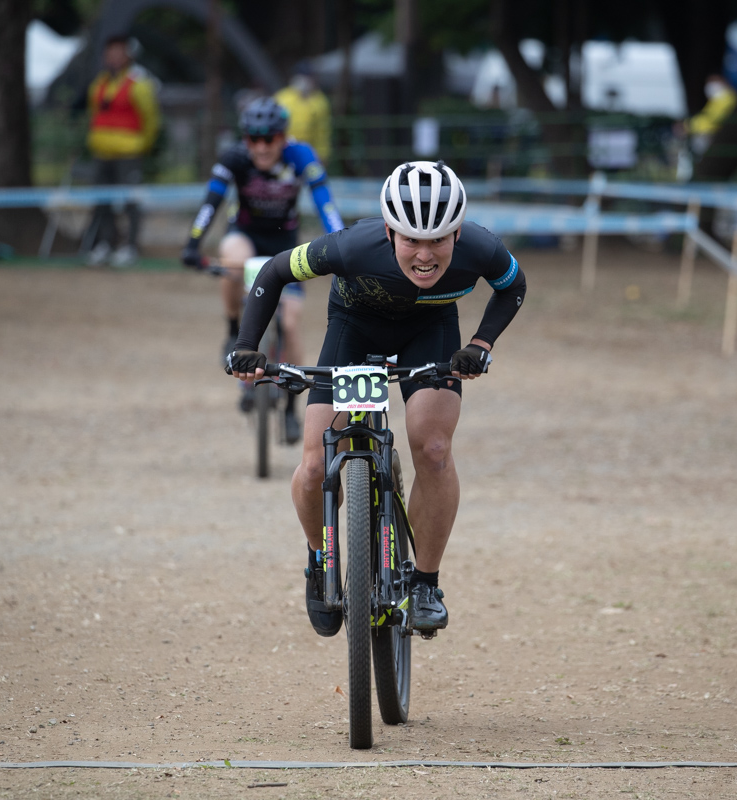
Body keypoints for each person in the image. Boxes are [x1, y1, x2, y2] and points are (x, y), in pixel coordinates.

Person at [225, 161, 526, 636]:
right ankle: (319, 557)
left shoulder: (482, 248)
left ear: (458, 233)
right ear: (388, 231)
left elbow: (513, 288)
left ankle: (425, 583)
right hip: (355, 328)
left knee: (434, 449)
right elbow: (274, 271)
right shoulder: (351, 247)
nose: (425, 255)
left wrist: (480, 345)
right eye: (411, 240)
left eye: (439, 240)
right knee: (315, 467)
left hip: (431, 331)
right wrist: (246, 346)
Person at [181, 96, 344, 442]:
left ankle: (289, 409)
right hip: (246, 236)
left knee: (290, 321)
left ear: (283, 137)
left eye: (268, 138)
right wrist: (193, 242)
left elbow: (324, 202)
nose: (260, 147)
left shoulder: (300, 155)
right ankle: (231, 328)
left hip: (285, 243)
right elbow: (211, 202)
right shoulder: (235, 157)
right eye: (253, 138)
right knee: (231, 259)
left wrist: (341, 243)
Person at [85, 35, 160, 268]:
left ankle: (130, 246)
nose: (114, 57)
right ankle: (105, 244)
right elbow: (94, 111)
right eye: (110, 52)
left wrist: (142, 145)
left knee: (131, 201)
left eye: (119, 51)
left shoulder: (139, 82)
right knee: (101, 201)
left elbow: (150, 118)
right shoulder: (101, 81)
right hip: (102, 151)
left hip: (129, 152)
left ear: (129, 54)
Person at [273, 62, 332, 161]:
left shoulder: (320, 100)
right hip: (283, 149)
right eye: (302, 77)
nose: (305, 81)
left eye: (309, 77)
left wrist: (323, 155)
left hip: (310, 152)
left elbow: (323, 132)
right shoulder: (282, 97)